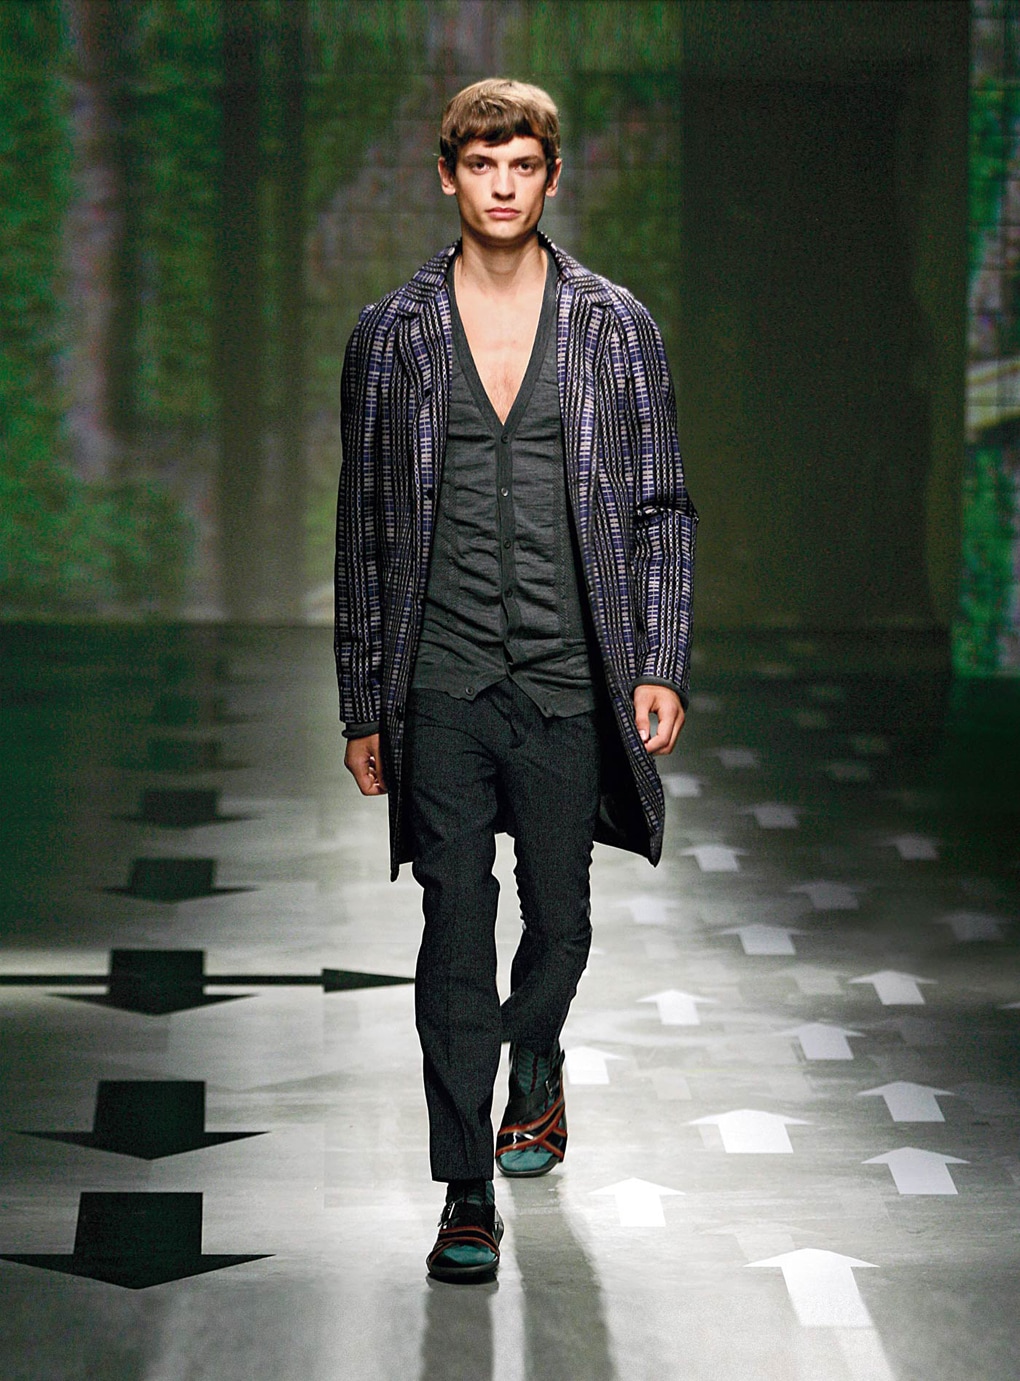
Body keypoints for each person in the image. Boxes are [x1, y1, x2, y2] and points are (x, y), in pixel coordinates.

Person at [335, 78, 696, 1284]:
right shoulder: (391, 336)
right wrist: (362, 697)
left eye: (522, 165)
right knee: (454, 924)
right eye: (481, 164)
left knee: (562, 919)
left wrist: (658, 658)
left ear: (550, 177)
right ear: (448, 175)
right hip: (440, 678)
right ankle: (465, 1191)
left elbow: (660, 506)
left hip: (567, 674)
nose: (502, 186)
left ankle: (532, 1057)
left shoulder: (615, 328)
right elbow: (365, 525)